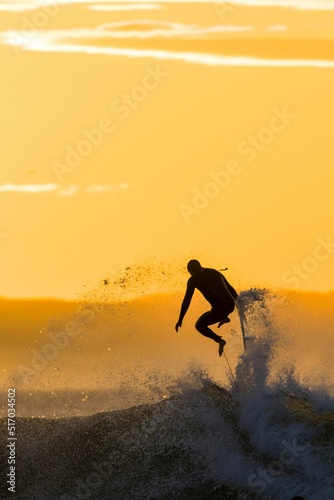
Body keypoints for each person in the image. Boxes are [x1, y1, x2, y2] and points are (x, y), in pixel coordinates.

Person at [175, 259, 238, 356]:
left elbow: (187, 300)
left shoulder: (193, 279)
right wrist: (238, 304)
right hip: (231, 305)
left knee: (199, 325)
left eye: (190, 272)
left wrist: (180, 319)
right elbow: (231, 289)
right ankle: (225, 317)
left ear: (191, 269)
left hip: (220, 311)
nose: (190, 274)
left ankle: (219, 340)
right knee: (219, 310)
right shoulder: (214, 272)